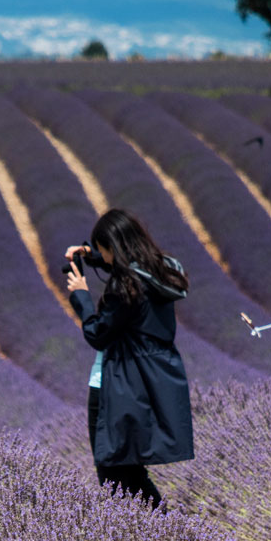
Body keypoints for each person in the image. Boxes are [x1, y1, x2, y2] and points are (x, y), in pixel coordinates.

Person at [64, 209, 193, 508]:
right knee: (129, 472)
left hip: (116, 385)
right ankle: (170, 539)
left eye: (104, 250)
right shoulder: (158, 273)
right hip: (145, 384)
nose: (104, 258)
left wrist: (81, 297)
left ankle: (166, 538)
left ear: (115, 247)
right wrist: (92, 254)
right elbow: (130, 276)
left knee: (113, 474)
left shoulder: (125, 287)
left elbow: (98, 333)